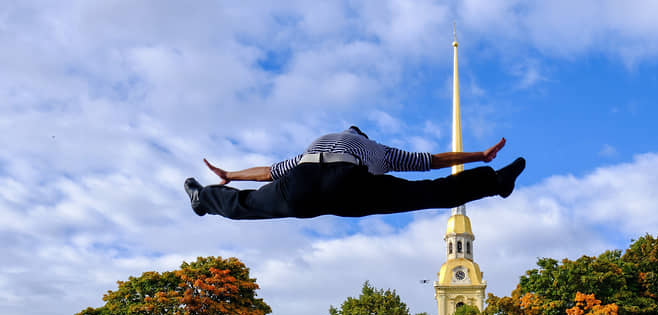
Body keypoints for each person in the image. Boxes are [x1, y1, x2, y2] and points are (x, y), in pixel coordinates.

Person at [185, 127, 525, 220]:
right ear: (362, 135)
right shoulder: (376, 148)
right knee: (430, 193)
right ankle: (495, 182)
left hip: (302, 183)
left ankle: (204, 198)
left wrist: (230, 174)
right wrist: (480, 156)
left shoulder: (318, 143)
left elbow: (268, 172)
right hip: (349, 185)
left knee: (248, 205)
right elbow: (432, 160)